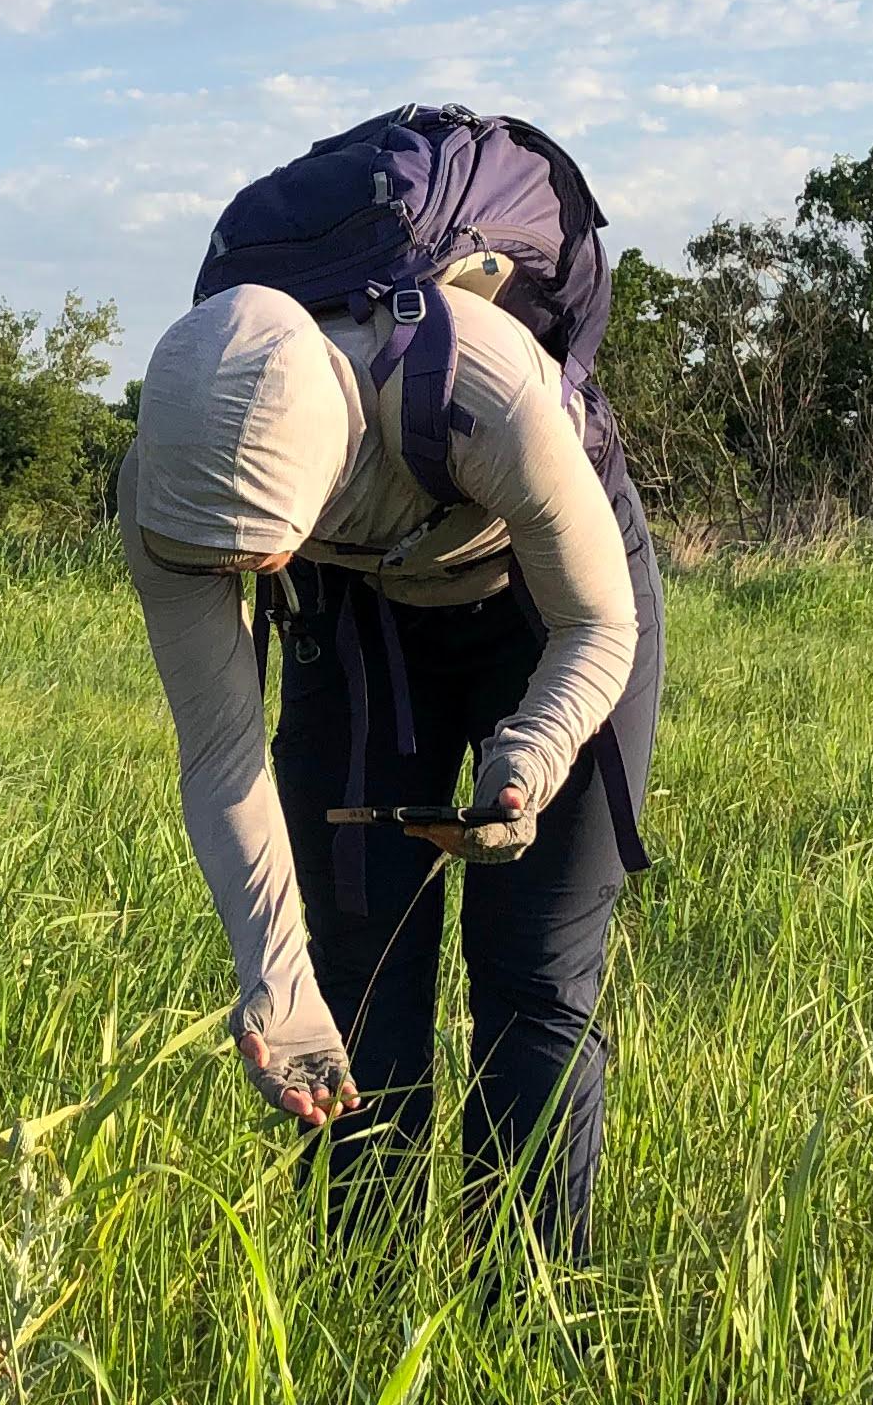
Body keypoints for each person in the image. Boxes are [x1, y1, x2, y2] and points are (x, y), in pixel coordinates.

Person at [119, 273, 661, 1262]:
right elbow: (220, 752)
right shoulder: (166, 490)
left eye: (256, 553)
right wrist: (271, 982)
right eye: (228, 562)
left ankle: (524, 1321)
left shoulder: (480, 393)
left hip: (552, 610)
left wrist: (528, 756)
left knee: (531, 974)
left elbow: (600, 624)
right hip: (364, 606)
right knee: (356, 972)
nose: (241, 577)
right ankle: (358, 1305)